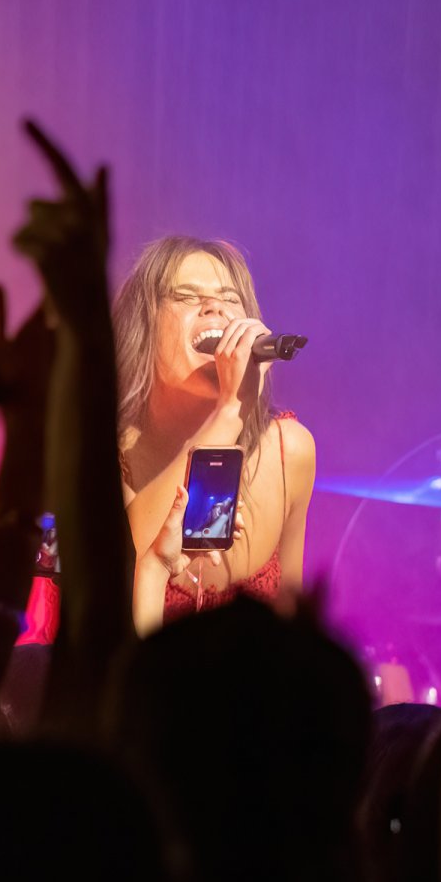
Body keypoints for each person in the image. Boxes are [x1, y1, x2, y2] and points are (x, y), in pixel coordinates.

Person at [114, 236, 316, 634]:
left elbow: (293, 632)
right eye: (186, 297)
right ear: (144, 328)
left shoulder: (288, 452)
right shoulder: (109, 454)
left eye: (230, 299)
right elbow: (135, 571)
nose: (215, 308)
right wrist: (230, 410)